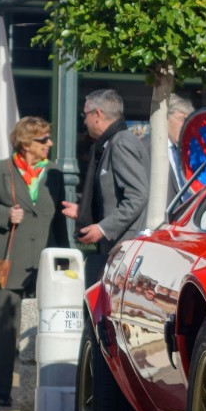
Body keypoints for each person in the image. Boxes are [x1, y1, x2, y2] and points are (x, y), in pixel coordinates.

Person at [0, 117, 70, 408]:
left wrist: (64, 261)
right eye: (44, 140)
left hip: (45, 260)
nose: (49, 145)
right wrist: (4, 214)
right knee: (5, 329)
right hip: (10, 259)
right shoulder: (0, 171)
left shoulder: (54, 174)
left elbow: (58, 225)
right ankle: (3, 391)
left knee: (45, 328)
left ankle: (40, 391)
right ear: (25, 143)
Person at [66, 89, 149, 285]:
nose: (84, 121)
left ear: (97, 115)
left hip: (124, 248)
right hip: (118, 247)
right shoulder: (112, 143)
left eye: (84, 115)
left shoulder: (120, 142)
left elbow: (138, 195)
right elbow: (116, 195)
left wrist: (103, 228)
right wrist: (84, 211)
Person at [146, 93, 193, 214]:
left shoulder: (188, 151)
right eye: (182, 119)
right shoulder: (145, 148)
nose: (186, 125)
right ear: (165, 117)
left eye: (189, 120)